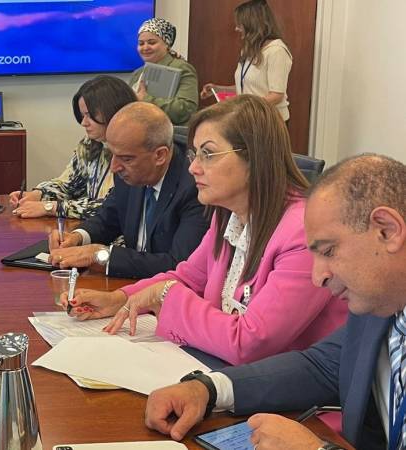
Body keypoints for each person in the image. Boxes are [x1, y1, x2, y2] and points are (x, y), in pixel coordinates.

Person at [143, 154, 406, 450]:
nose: (318, 277)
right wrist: (208, 389)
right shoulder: (379, 301)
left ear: (387, 231)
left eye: (329, 251)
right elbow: (321, 367)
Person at [63, 95, 348, 365]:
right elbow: (189, 277)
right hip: (225, 370)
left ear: (255, 157)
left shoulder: (303, 232)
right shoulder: (229, 215)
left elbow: (249, 342)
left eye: (208, 154)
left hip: (288, 394)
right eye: (195, 155)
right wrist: (120, 299)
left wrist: (167, 295)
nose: (193, 168)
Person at [48, 102, 208, 279]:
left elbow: (179, 264)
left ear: (160, 155)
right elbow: (109, 218)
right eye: (112, 154)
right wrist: (77, 237)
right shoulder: (128, 170)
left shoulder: (195, 187)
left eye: (126, 159)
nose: (114, 167)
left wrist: (102, 256)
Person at [9, 76, 136, 219]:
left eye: (89, 115)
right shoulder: (90, 144)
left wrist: (51, 207)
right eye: (82, 115)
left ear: (113, 111)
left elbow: (113, 207)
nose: (83, 123)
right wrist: (38, 194)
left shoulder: (133, 151)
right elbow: (69, 184)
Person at [200, 0, 293, 123]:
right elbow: (246, 87)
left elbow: (276, 95)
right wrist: (218, 89)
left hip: (270, 122)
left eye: (240, 24)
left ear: (251, 25)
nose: (236, 28)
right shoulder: (248, 50)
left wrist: (246, 108)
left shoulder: (277, 51)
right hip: (249, 119)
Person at [129, 18, 199, 126]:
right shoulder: (137, 73)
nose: (145, 47)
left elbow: (186, 109)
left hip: (170, 133)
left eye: (152, 42)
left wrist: (146, 99)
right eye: (141, 43)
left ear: (167, 44)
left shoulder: (182, 68)